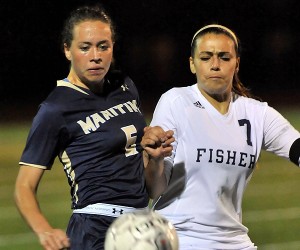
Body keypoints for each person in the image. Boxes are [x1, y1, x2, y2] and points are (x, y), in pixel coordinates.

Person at [14, 4, 173, 250]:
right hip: (94, 229)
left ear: (112, 47)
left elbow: (154, 189)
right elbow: (24, 186)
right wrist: (44, 230)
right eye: (85, 47)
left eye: (103, 46)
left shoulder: (125, 87)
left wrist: (155, 158)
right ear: (67, 50)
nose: (96, 55)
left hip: (141, 227)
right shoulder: (55, 109)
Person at [143, 24, 300, 249]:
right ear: (192, 64)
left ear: (236, 64)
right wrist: (156, 159)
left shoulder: (255, 113)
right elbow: (154, 189)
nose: (215, 65)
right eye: (206, 57)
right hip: (179, 237)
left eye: (224, 57)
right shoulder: (176, 101)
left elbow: (296, 146)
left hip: (235, 241)